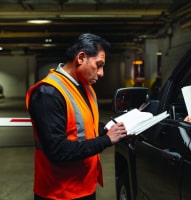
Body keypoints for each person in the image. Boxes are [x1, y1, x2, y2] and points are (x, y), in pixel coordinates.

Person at [26, 33, 127, 200]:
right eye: (98, 65)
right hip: (59, 192)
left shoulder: (85, 88)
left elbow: (84, 127)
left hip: (84, 187)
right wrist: (107, 140)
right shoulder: (48, 93)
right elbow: (57, 150)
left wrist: (113, 129)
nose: (101, 73)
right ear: (81, 58)